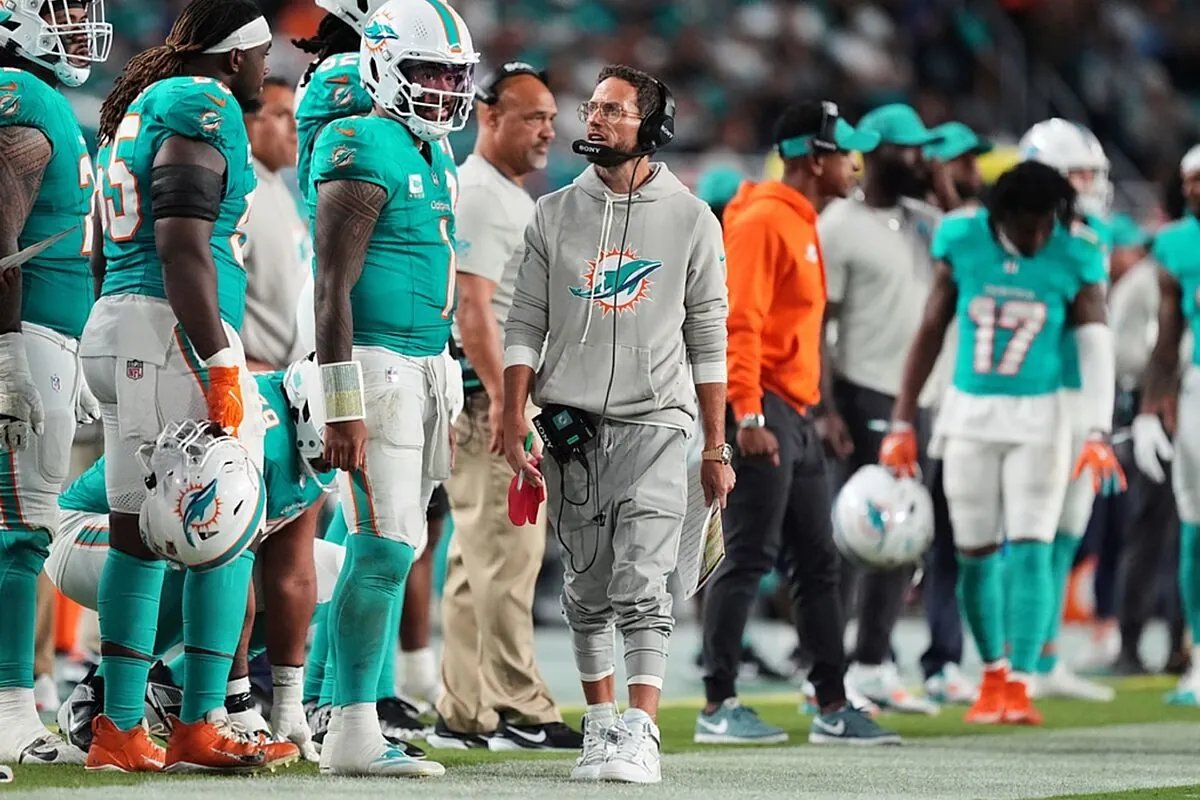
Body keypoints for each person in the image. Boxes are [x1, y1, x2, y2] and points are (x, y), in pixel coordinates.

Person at [503, 64, 733, 784]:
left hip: (659, 421)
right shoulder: (553, 213)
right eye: (591, 108)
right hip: (571, 424)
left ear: (654, 128)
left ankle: (643, 729)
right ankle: (600, 724)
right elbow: (523, 324)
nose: (593, 121)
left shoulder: (693, 218)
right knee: (585, 584)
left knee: (643, 578)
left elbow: (709, 337)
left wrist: (716, 444)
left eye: (613, 110)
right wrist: (514, 413)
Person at [78, 0, 277, 773]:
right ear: (233, 57)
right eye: (260, 55)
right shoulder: (204, 103)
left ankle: (120, 727)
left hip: (123, 325)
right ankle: (199, 719)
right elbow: (181, 242)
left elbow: (111, 252)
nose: (267, 69)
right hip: (171, 333)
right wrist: (221, 359)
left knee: (137, 533)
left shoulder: (140, 106)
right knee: (220, 527)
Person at [881, 161, 1119, 726]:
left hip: (1042, 419)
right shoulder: (963, 237)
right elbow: (931, 329)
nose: (1040, 236)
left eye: (1047, 223)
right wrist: (900, 420)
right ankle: (990, 675)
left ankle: (1021, 680)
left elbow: (1095, 345)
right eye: (1028, 225)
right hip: (968, 415)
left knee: (1033, 545)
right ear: (1000, 216)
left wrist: (1098, 429)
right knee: (975, 554)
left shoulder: (1076, 251)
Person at [696, 100, 899, 748]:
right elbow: (740, 323)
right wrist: (749, 412)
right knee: (748, 555)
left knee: (818, 561)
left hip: (795, 409)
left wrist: (813, 410)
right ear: (815, 157)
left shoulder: (801, 218)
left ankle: (832, 702)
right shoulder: (761, 221)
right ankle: (718, 703)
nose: (854, 163)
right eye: (844, 151)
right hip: (765, 410)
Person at [308, 0, 477, 777]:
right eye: (426, 71)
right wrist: (341, 401)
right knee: (379, 548)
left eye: (453, 74)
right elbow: (331, 287)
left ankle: (337, 712)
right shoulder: (360, 139)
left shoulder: (427, 147)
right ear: (379, 65)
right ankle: (349, 725)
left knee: (400, 543)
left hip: (425, 364)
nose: (443, 89)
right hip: (375, 366)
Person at [52, 359, 340, 760]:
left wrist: (289, 700)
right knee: (201, 548)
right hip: (83, 532)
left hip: (171, 541)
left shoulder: (315, 447)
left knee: (328, 574)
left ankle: (167, 687)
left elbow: (293, 575)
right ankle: (103, 699)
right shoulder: (259, 430)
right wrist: (238, 701)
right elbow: (224, 563)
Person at [431, 61, 578, 752]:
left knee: (476, 561)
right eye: (531, 116)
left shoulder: (499, 192)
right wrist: (506, 402)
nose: (547, 130)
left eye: (551, 116)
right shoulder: (485, 196)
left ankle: (466, 707)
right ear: (488, 116)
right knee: (506, 558)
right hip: (493, 405)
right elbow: (474, 307)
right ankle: (520, 705)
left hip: (490, 399)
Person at [0, 0, 111, 766]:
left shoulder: (43, 98)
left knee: (21, 532)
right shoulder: (20, 94)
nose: (79, 23)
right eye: (62, 11)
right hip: (26, 333)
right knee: (18, 535)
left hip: (51, 334)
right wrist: (10, 354)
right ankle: (11, 711)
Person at [818, 103, 949, 715]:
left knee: (904, 533)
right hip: (862, 389)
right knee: (855, 532)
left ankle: (872, 662)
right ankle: (828, 668)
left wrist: (942, 187)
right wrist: (825, 407)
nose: (924, 160)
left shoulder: (927, 220)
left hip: (915, 399)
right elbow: (820, 322)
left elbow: (976, 238)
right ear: (878, 153)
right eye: (913, 150)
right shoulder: (839, 223)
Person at [1018, 118, 1122, 702]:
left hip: (1082, 394)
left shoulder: (1091, 236)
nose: (1090, 184)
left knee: (1066, 530)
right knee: (1023, 532)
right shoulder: (1025, 235)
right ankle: (1010, 658)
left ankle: (1046, 652)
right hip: (1036, 395)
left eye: (1092, 174)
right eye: (1079, 173)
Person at [1132, 144, 1200, 704]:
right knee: (1194, 524)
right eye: (1189, 180)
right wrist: (1152, 406)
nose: (1195, 189)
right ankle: (1198, 657)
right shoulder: (1176, 243)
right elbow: (1168, 336)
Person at [241, 75, 309, 371]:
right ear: (248, 122)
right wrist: (236, 362)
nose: (296, 128)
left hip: (286, 375)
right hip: (256, 376)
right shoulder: (240, 191)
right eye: (282, 115)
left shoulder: (275, 185)